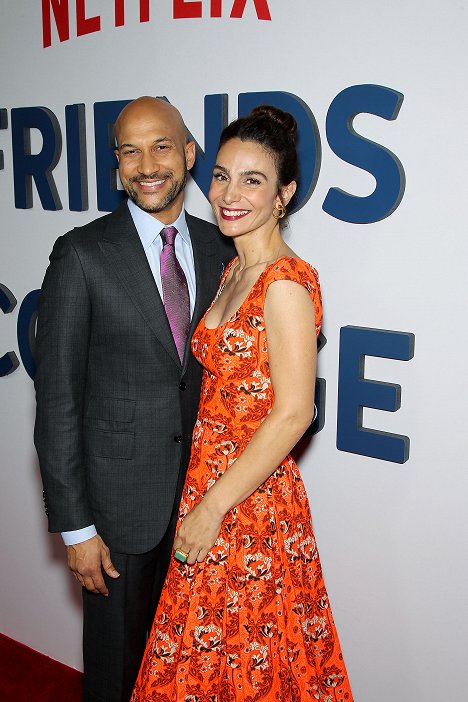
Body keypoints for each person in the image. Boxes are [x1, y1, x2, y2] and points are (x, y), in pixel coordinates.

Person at [131, 105, 353, 701]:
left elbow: (293, 413)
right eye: (223, 174)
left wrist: (212, 509)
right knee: (207, 663)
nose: (229, 193)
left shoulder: (284, 283)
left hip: (249, 506)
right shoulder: (235, 269)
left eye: (252, 180)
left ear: (284, 195)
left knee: (247, 663)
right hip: (213, 487)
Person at [34, 96, 234, 702]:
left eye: (161, 146)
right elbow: (57, 404)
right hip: (118, 514)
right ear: (116, 163)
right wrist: (75, 530)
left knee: (190, 668)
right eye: (129, 150)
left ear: (189, 154)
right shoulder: (82, 253)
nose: (146, 164)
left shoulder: (222, 247)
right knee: (117, 673)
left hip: (205, 505)